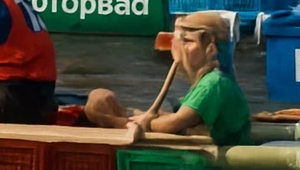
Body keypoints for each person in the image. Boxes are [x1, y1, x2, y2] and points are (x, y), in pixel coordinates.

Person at [84, 11, 251, 145]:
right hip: (207, 135)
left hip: (226, 147)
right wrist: (139, 115)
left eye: (187, 41)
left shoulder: (214, 84)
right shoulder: (207, 80)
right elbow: (181, 115)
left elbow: (175, 123)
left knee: (102, 111)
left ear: (211, 49)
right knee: (99, 100)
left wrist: (139, 123)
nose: (180, 46)